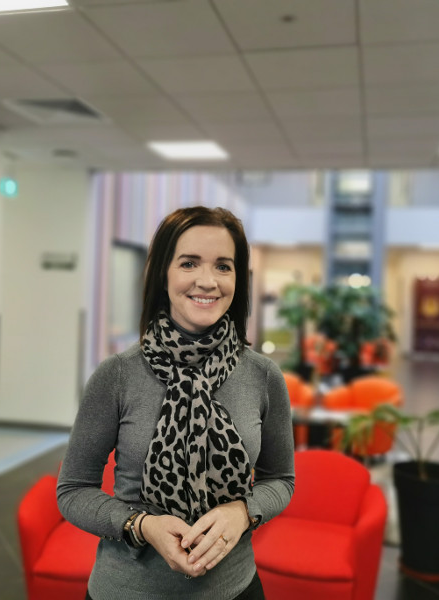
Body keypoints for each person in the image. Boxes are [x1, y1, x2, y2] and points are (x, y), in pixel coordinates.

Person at [57, 206, 295, 600]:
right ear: (162, 274)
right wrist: (142, 524)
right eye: (189, 263)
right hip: (127, 590)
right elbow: (73, 490)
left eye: (223, 266)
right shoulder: (118, 374)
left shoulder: (262, 376)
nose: (207, 281)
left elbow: (281, 480)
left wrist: (243, 512)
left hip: (234, 589)